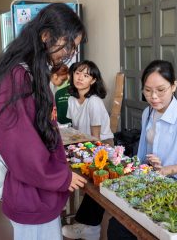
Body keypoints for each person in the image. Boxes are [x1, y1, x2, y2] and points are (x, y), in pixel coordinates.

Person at [0, 3, 88, 240]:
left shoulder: (30, 71)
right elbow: (21, 144)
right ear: (46, 36)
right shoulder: (18, 76)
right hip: (31, 193)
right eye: (68, 45)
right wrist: (61, 177)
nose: (69, 54)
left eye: (74, 48)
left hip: (35, 190)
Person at [107, 60, 177, 239]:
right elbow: (145, 152)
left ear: (173, 86)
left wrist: (167, 169)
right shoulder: (148, 113)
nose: (153, 96)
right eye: (147, 90)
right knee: (118, 225)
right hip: (150, 180)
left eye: (161, 90)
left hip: (176, 187)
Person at [62, 60, 114, 240]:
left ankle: (89, 228)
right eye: (77, 73)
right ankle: (84, 224)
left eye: (86, 75)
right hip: (83, 144)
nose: (80, 78)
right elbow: (75, 128)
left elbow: (96, 138)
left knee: (94, 186)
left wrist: (84, 155)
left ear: (93, 81)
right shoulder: (71, 99)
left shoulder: (94, 102)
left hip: (101, 146)